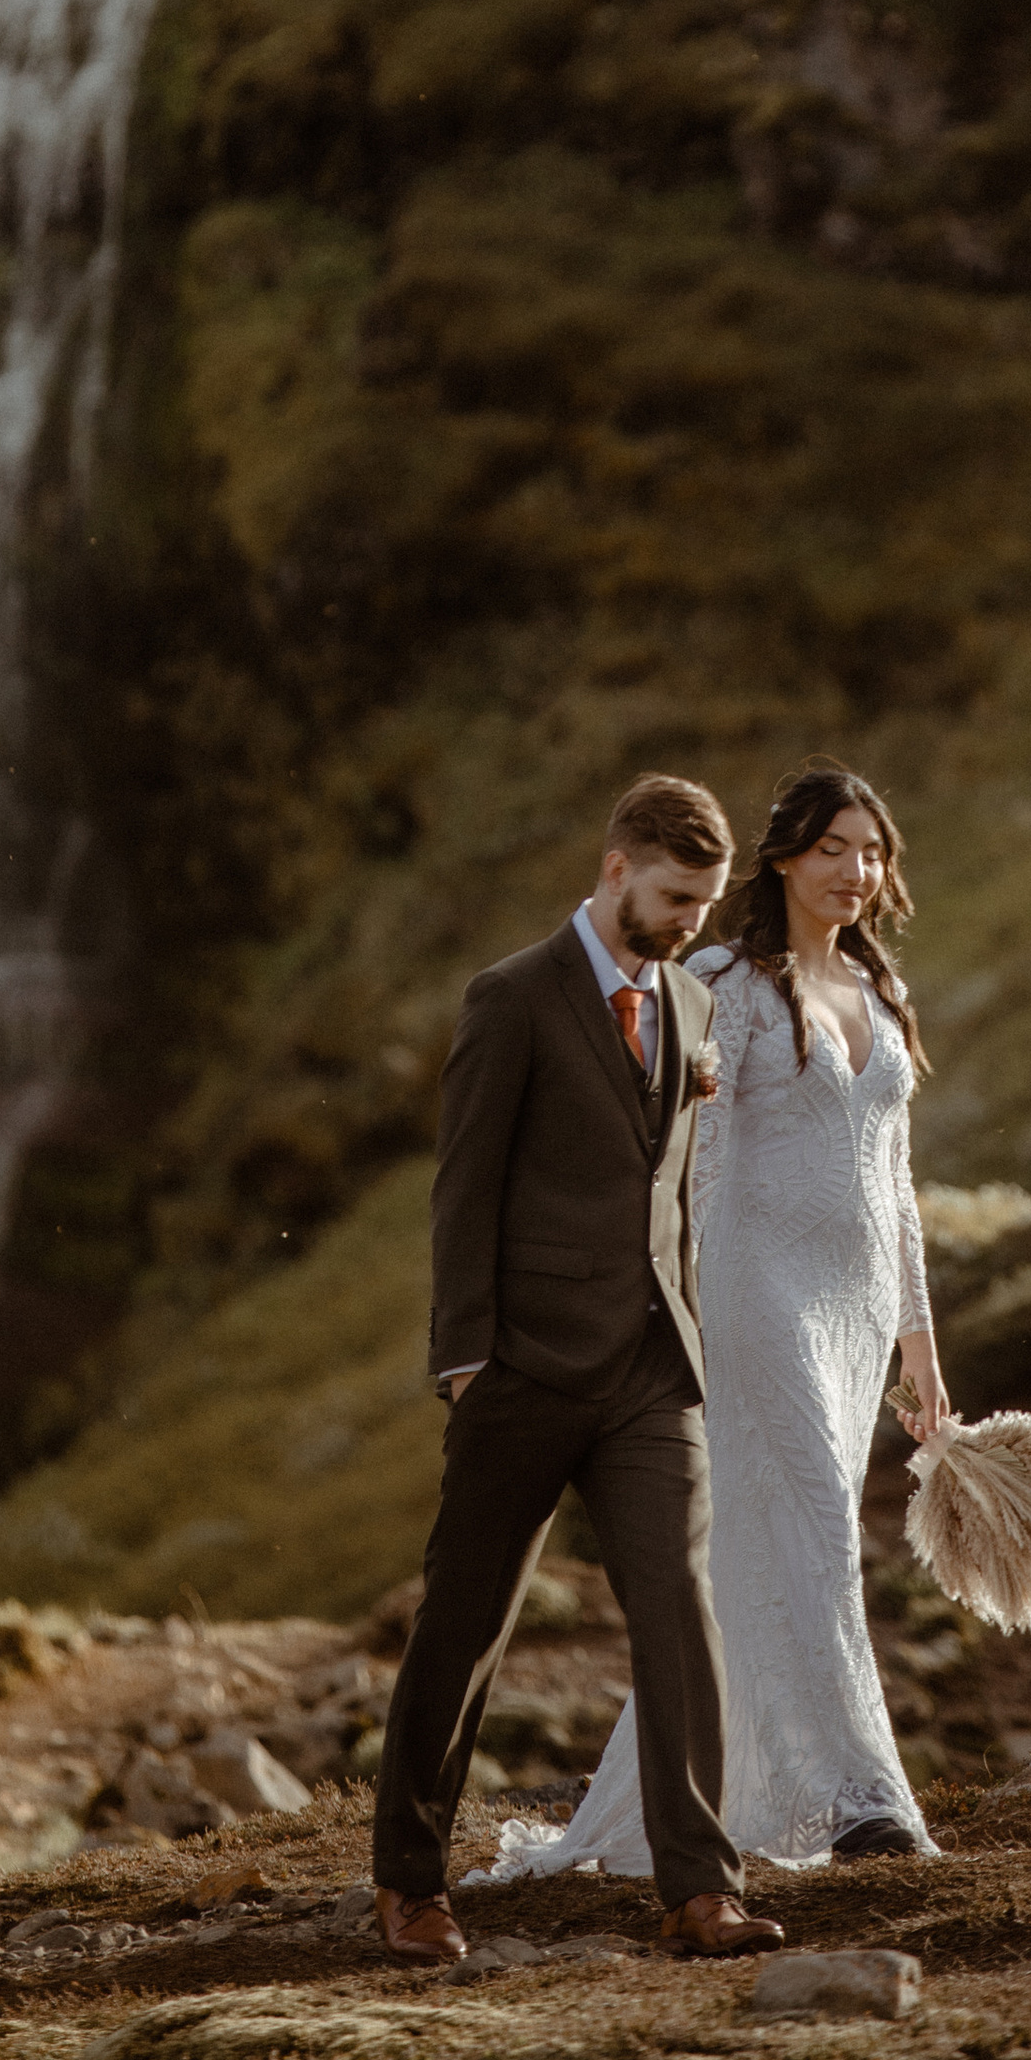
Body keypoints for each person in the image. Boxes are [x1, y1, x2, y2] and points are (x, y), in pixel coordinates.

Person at [490, 757, 952, 1882]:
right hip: (754, 1298)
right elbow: (691, 1160)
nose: (856, 870)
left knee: (774, 1549)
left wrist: (920, 1348)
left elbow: (894, 1186)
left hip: (851, 1316)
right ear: (785, 857)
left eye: (871, 851)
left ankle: (720, 1791)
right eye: (834, 848)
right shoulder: (727, 982)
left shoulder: (881, 994)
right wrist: (678, 1305)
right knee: (816, 1543)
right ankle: (858, 1803)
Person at [370, 773, 786, 1965]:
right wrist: (463, 1360)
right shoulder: (511, 997)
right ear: (615, 871)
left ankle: (700, 1887)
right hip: (521, 1372)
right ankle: (410, 1884)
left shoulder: (692, 1010)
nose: (688, 924)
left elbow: (670, 1196)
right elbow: (464, 1188)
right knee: (467, 1625)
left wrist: (693, 1332)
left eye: (703, 905)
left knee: (678, 1616)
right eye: (671, 898)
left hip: (651, 1371)